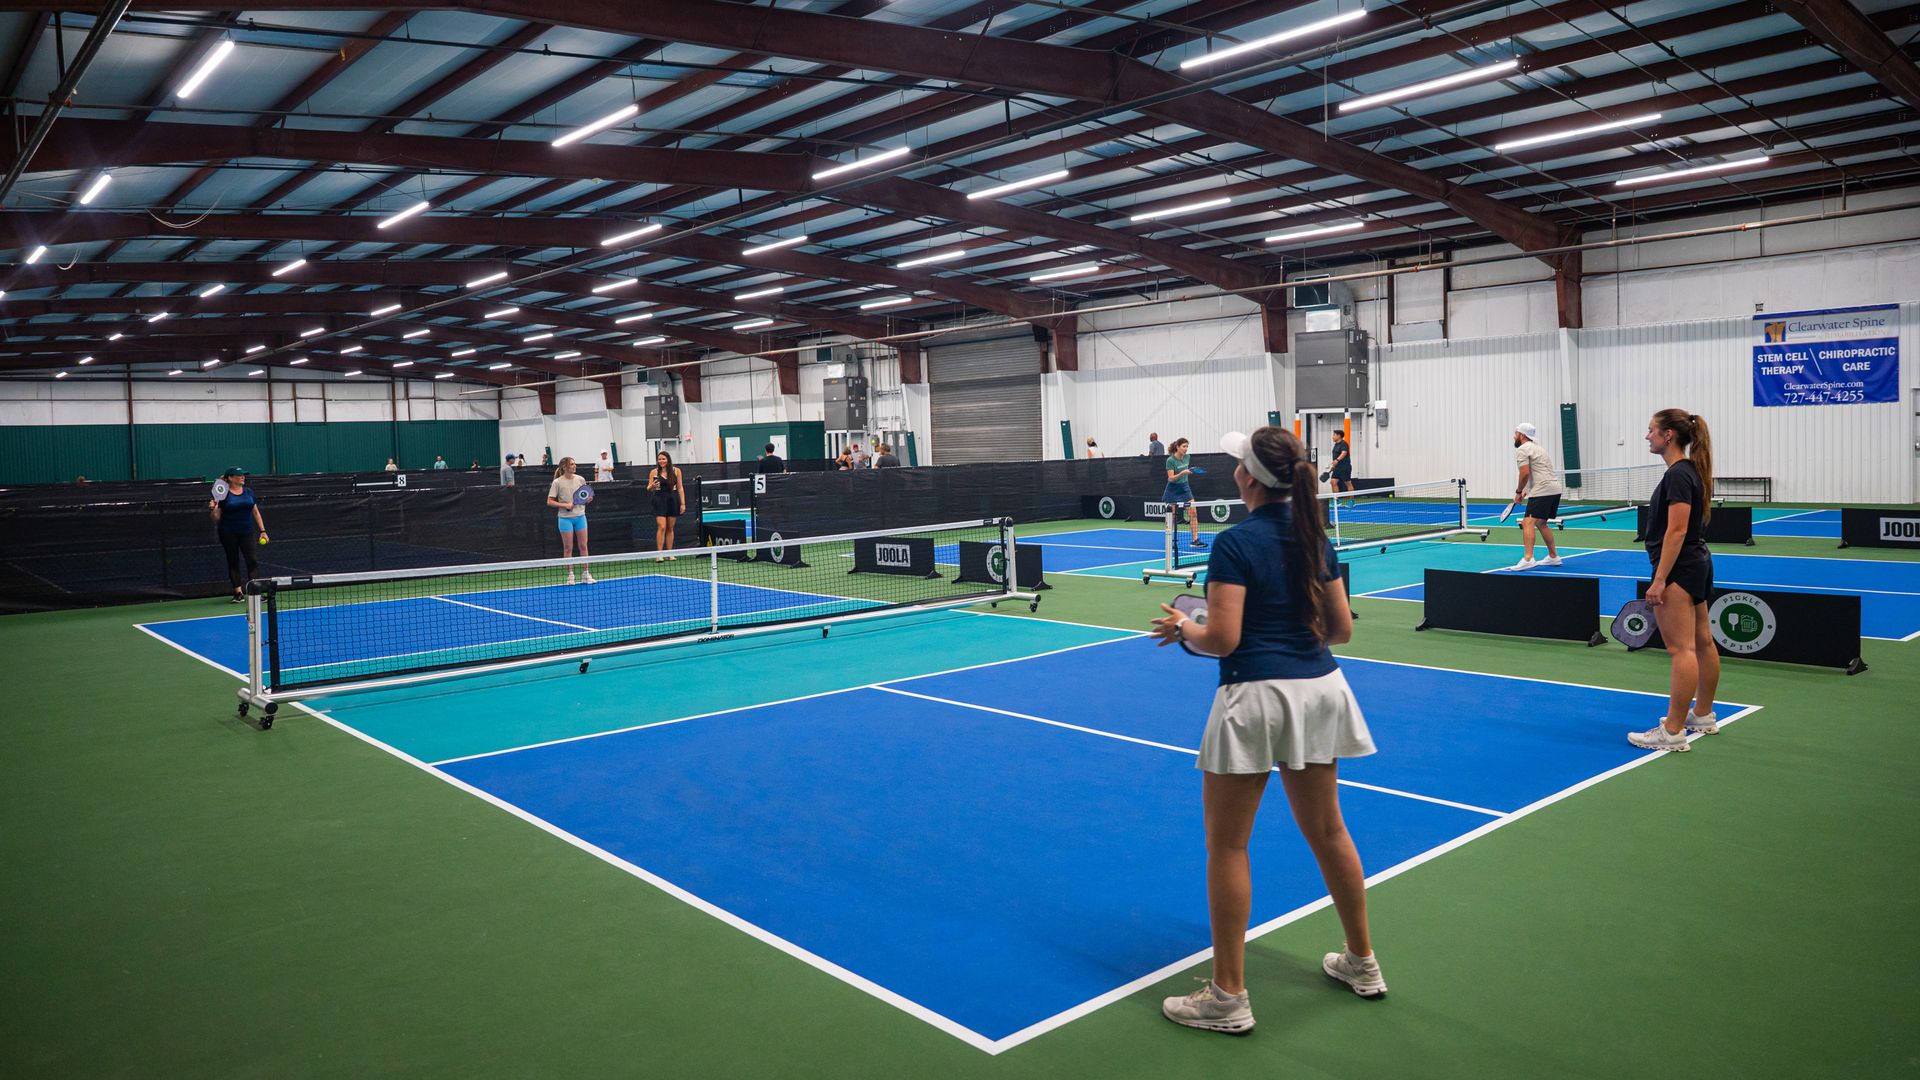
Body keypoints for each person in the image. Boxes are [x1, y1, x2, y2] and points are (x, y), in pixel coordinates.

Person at [1150, 427, 1381, 1034]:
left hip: (1255, 696)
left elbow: (1222, 637)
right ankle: (1362, 962)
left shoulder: (1234, 543)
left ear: (1248, 478)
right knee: (1329, 831)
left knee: (1228, 846)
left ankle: (1229, 996)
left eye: (1236, 463)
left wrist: (1184, 628)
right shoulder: (1315, 539)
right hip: (1320, 691)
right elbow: (1339, 630)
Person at [1630, 409, 1721, 753]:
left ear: (1668, 435)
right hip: (1697, 563)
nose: (1647, 436)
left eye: (1651, 429)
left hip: (1680, 569)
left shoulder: (1679, 475)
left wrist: (1660, 579)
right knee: (1702, 642)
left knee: (1680, 649)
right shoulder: (1687, 472)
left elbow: (1677, 529)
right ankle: (1703, 715)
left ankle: (1672, 731)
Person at [209, 466, 269, 604]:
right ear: (230, 478)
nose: (243, 477)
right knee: (233, 561)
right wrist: (213, 509)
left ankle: (256, 593)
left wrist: (263, 531)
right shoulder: (223, 494)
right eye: (239, 475)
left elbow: (255, 512)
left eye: (243, 475)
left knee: (252, 560)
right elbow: (215, 517)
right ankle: (238, 593)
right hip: (228, 532)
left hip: (247, 532)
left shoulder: (248, 492)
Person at [1508, 422, 1563, 570]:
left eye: (1515, 433)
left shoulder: (1522, 449)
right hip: (1554, 488)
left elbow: (1525, 473)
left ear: (1522, 435)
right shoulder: (1539, 449)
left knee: (1527, 522)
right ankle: (1553, 557)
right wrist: (1526, 489)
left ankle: (1528, 559)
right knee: (1541, 523)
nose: (1514, 436)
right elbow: (1537, 471)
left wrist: (1518, 492)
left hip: (1543, 489)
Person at [544, 456, 594, 585]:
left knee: (583, 546)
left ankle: (586, 574)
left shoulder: (580, 479)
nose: (574, 466)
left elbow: (585, 495)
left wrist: (588, 499)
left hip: (580, 517)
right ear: (565, 467)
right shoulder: (557, 482)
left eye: (574, 464)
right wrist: (565, 505)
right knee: (568, 548)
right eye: (571, 464)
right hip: (565, 519)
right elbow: (549, 501)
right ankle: (570, 576)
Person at [1163, 437, 1205, 550]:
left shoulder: (1187, 457)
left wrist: (1190, 471)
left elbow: (1185, 472)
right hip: (1173, 489)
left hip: (1185, 488)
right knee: (1171, 516)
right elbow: (1171, 478)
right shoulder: (1170, 461)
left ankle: (1195, 540)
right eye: (1184, 446)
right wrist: (1182, 473)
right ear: (1177, 447)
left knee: (1193, 512)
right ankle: (1169, 540)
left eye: (1187, 446)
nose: (1186, 449)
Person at [647, 450, 686, 558]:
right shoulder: (654, 472)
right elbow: (648, 488)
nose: (661, 461)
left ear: (668, 459)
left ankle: (670, 554)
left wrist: (683, 504)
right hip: (659, 499)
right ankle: (659, 555)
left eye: (663, 459)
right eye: (659, 459)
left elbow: (680, 487)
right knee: (662, 526)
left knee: (670, 528)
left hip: (672, 500)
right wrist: (652, 486)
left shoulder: (677, 471)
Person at [1325, 430, 1354, 507]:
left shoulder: (1344, 444)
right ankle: (1336, 501)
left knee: (1348, 483)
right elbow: (1335, 456)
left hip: (1345, 467)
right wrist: (1333, 466)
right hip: (1337, 468)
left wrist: (1337, 460)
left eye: (1334, 435)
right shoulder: (1336, 445)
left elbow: (1344, 453)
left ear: (1339, 436)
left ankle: (1351, 501)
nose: (1333, 437)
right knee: (1333, 482)